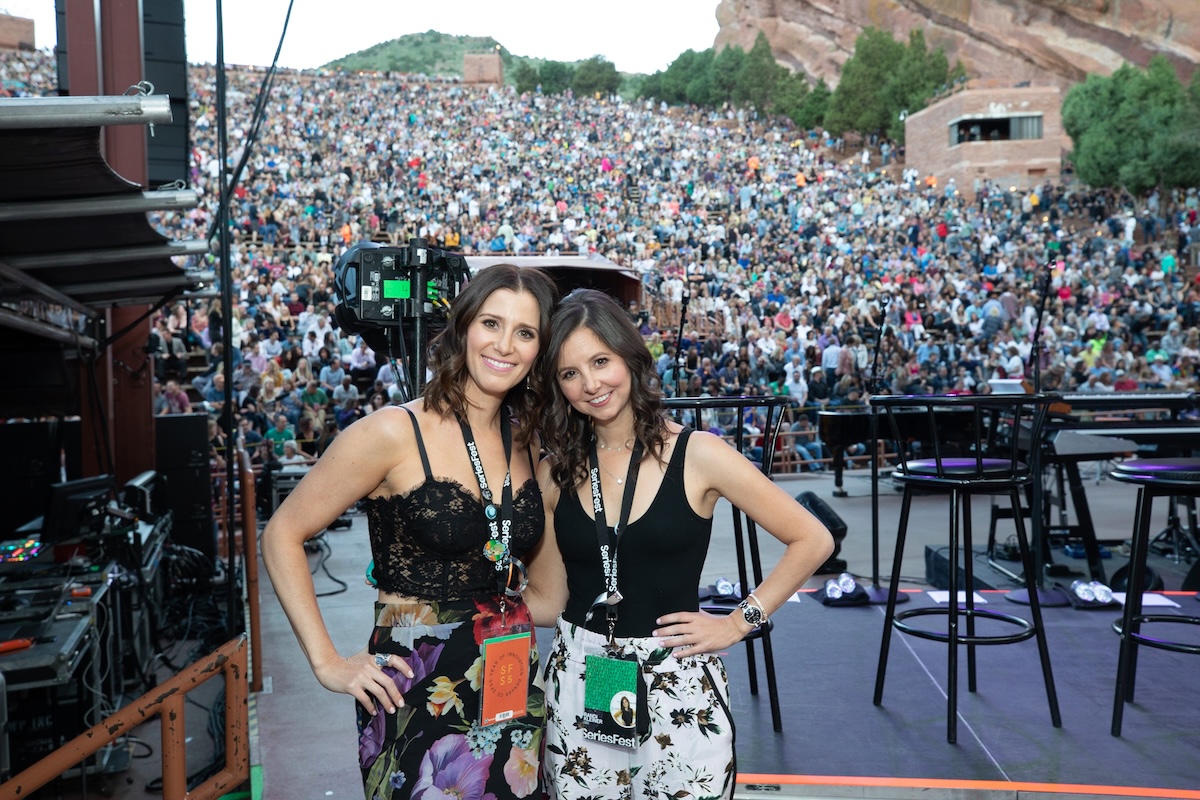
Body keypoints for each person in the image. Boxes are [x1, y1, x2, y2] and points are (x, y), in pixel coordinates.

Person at [262, 263, 559, 800]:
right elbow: (281, 532)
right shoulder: (393, 432)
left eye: (525, 332)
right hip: (415, 687)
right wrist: (327, 662)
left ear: (540, 349)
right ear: (463, 326)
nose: (505, 345)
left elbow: (546, 596)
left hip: (512, 681)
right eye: (491, 323)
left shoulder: (529, 442)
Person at [525, 290, 834, 800]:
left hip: (678, 678)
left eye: (601, 361)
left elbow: (813, 538)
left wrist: (738, 622)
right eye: (570, 373)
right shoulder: (556, 470)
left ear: (629, 356)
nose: (591, 384)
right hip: (582, 674)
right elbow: (550, 599)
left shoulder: (699, 454)